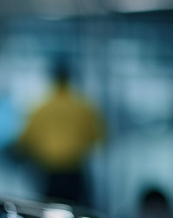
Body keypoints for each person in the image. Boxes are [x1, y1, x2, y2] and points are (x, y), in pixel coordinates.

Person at [15, 59, 106, 204]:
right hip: (74, 169)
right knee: (77, 212)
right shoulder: (83, 105)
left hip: (49, 172)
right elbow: (98, 136)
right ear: (69, 78)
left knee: (50, 213)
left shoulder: (41, 107)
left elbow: (26, 139)